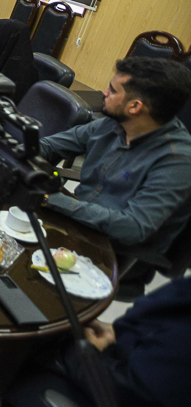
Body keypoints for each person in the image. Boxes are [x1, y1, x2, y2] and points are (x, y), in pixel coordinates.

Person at [0, 276, 191, 407]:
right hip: (121, 368)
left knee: (5, 364)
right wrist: (115, 332)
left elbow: (127, 397)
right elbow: (151, 315)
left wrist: (86, 352)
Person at [38, 57, 191, 259]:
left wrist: (51, 199)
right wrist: (14, 153)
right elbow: (48, 146)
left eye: (112, 90)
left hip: (113, 250)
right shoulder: (114, 123)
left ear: (134, 106)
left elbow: (133, 227)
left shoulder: (177, 160)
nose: (104, 93)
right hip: (77, 220)